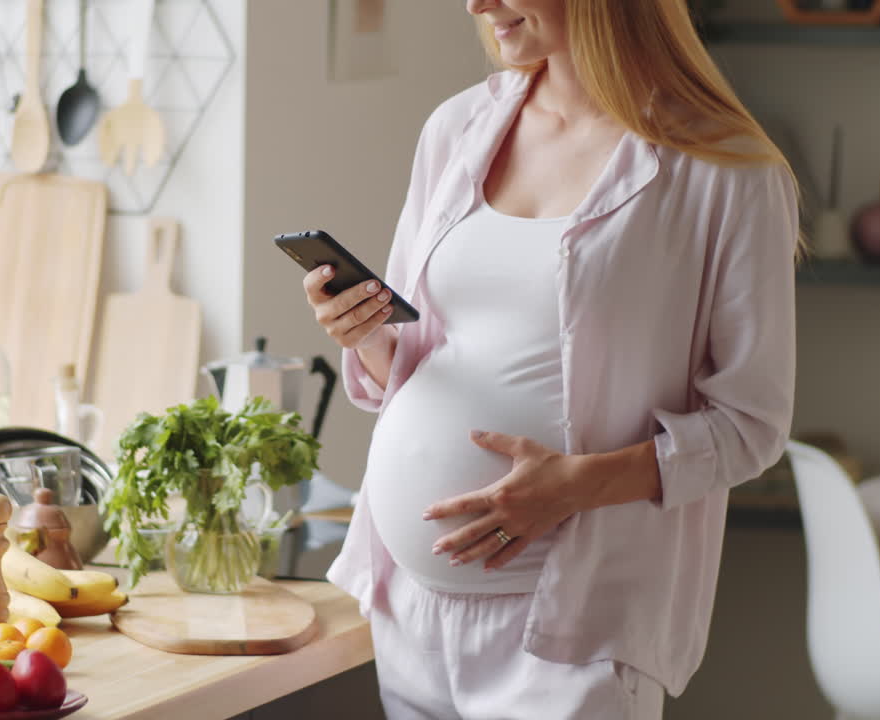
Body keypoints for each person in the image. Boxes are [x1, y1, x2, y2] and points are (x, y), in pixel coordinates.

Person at [301, 1, 800, 718]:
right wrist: (364, 334)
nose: (477, 4)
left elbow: (752, 424)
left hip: (573, 633)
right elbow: (419, 365)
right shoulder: (457, 128)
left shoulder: (725, 168)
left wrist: (577, 486)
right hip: (412, 613)